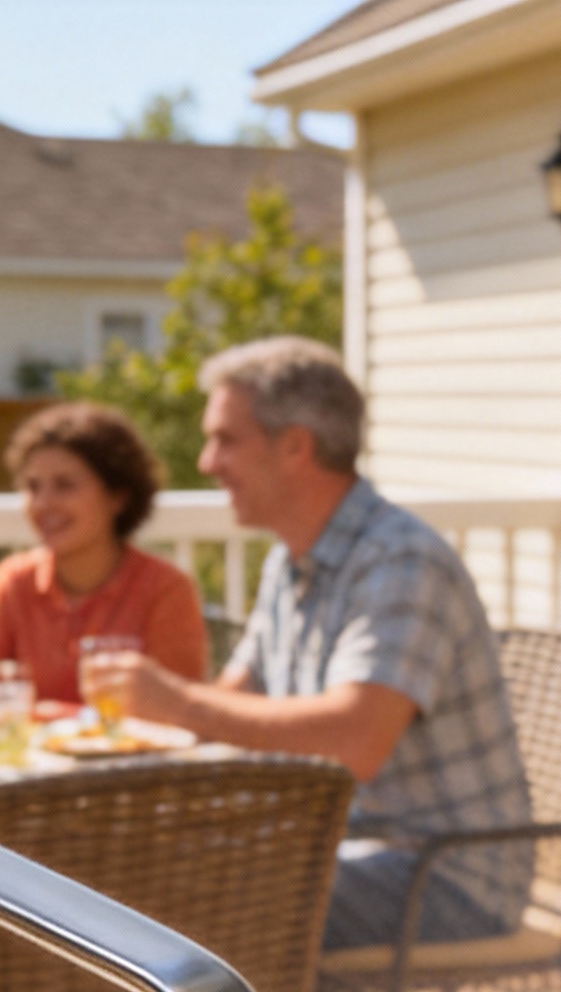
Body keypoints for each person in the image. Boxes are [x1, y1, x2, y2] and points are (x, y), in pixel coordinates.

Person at [79, 338, 533, 949]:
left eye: (226, 440)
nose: (208, 462)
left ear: (295, 446)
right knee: (134, 872)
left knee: (190, 902)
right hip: (341, 846)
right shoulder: (291, 560)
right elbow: (234, 702)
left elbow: (353, 741)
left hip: (442, 875)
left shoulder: (401, 559)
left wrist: (175, 701)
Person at [0, 402, 210, 703]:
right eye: (33, 487)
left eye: (65, 485)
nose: (43, 504)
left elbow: (182, 709)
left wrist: (41, 715)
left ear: (118, 497)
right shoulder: (14, 582)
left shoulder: (164, 589)